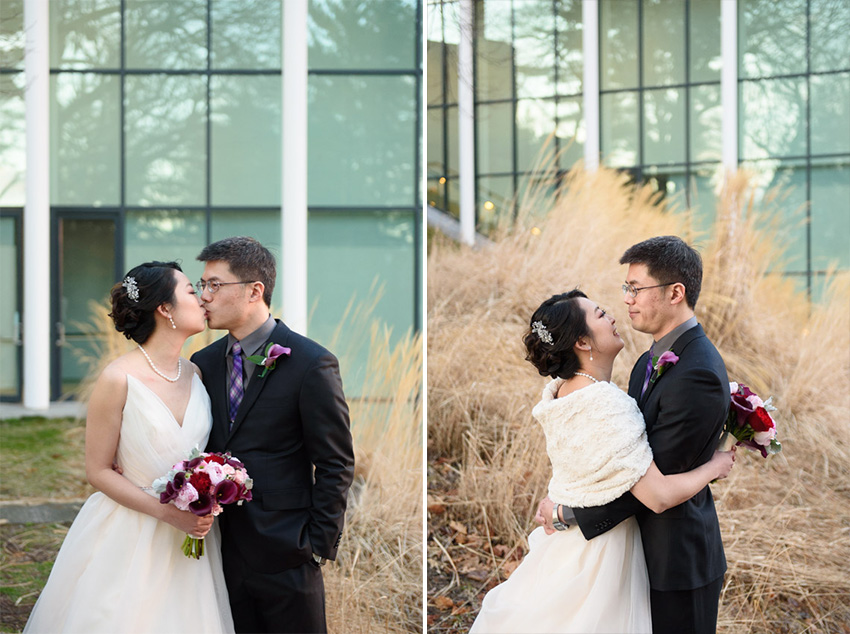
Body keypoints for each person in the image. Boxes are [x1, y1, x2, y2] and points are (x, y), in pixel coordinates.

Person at [469, 290, 735, 633]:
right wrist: (715, 466)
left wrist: (562, 509)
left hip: (564, 547)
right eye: (600, 314)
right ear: (582, 342)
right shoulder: (607, 405)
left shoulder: (564, 391)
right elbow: (658, 497)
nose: (612, 317)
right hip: (603, 554)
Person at [24, 261, 234, 633]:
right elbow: (98, 471)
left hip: (190, 535)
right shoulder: (117, 378)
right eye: (191, 290)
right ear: (165, 308)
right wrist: (169, 514)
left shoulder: (195, 373)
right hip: (131, 530)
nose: (203, 298)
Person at [537, 236, 731, 634]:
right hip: (631, 555)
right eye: (626, 287)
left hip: (675, 564)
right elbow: (622, 461)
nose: (627, 299)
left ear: (675, 293)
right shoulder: (646, 360)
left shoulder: (698, 372)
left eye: (636, 288)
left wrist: (568, 513)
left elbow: (652, 486)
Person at [190, 236, 355, 634]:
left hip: (287, 553)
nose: (204, 296)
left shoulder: (312, 363)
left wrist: (315, 545)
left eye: (215, 284)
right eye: (202, 284)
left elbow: (335, 462)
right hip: (218, 552)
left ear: (254, 291)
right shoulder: (202, 363)